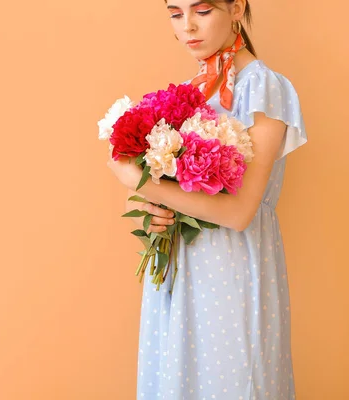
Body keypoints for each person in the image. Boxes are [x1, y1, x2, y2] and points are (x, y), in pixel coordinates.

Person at [106, 0, 307, 398]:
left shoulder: (262, 86)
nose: (187, 28)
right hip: (183, 269)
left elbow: (239, 212)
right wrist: (161, 210)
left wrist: (138, 181)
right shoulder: (195, 91)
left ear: (237, 9)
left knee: (231, 381)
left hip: (231, 268)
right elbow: (186, 195)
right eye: (176, 14)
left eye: (202, 10)